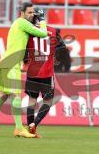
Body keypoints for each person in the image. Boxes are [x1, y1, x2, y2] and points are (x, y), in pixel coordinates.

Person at [0, 2, 48, 138]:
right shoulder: (22, 23)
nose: (31, 15)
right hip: (11, 64)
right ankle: (18, 128)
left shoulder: (19, 24)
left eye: (32, 13)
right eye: (29, 12)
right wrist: (42, 20)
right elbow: (43, 33)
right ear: (22, 13)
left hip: (6, 62)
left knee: (2, 96)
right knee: (16, 95)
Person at [24, 8, 67, 138]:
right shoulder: (53, 31)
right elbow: (62, 48)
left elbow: (23, 51)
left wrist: (26, 58)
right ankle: (34, 125)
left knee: (32, 100)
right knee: (48, 100)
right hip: (47, 73)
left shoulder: (28, 32)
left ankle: (29, 128)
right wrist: (55, 58)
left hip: (32, 72)